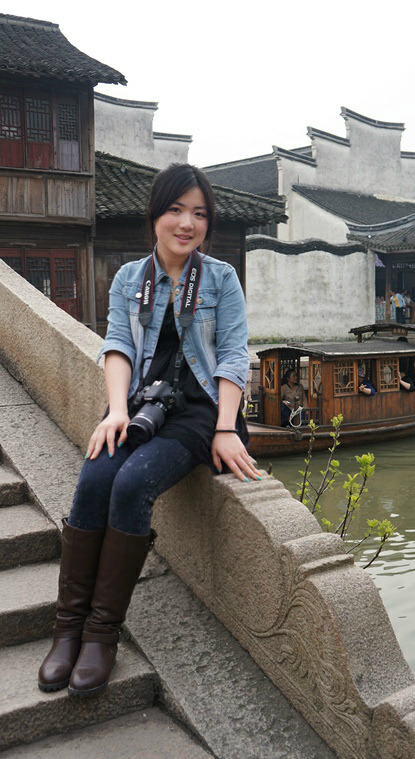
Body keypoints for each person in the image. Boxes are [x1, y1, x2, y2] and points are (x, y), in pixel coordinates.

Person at [38, 163, 261, 697]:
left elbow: (234, 355)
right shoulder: (129, 279)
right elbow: (117, 344)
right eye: (176, 210)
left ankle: (101, 634)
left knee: (133, 484)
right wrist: (116, 410)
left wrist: (226, 427)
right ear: (156, 215)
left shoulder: (221, 278)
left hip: (200, 410)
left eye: (199, 214)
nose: (187, 223)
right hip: (141, 404)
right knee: (95, 478)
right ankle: (67, 629)